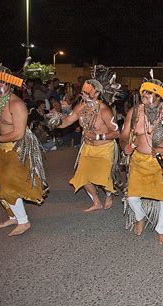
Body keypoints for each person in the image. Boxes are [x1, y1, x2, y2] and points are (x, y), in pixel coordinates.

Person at [0, 66, 48, 236]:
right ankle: (13, 216)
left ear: (9, 83)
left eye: (2, 82)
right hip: (3, 148)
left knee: (9, 186)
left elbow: (18, 133)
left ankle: (24, 221)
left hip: (19, 147)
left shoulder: (17, 104)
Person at [120, 75, 163, 244]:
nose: (143, 95)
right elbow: (124, 136)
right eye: (143, 92)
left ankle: (161, 230)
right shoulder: (134, 112)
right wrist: (124, 147)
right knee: (132, 196)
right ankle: (140, 217)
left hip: (162, 161)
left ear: (158, 97)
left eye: (148, 93)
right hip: (139, 161)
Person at [49, 77, 121, 212]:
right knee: (83, 176)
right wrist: (55, 121)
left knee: (102, 178)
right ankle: (96, 202)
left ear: (98, 94)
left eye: (88, 93)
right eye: (83, 92)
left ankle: (109, 195)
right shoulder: (81, 107)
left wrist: (98, 136)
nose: (84, 95)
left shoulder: (104, 110)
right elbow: (67, 121)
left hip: (104, 148)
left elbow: (116, 133)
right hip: (87, 148)